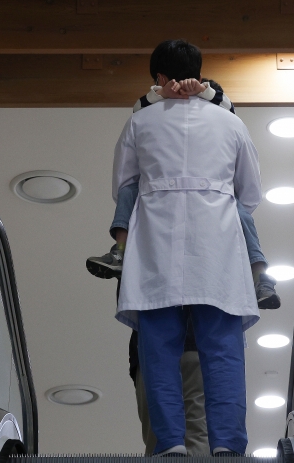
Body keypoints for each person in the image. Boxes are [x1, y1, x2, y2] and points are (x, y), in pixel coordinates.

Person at [111, 39, 262, 456]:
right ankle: (229, 446)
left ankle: (171, 446)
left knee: (159, 350)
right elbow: (249, 193)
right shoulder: (230, 123)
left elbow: (123, 186)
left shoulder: (140, 122)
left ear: (158, 77)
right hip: (217, 251)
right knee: (223, 352)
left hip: (155, 249)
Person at [86, 78, 280, 310]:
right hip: (163, 192)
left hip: (216, 199)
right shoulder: (149, 116)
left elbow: (229, 111)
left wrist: (204, 92)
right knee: (130, 189)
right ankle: (120, 251)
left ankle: (260, 276)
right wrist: (163, 95)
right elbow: (140, 109)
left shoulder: (226, 120)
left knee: (239, 212)